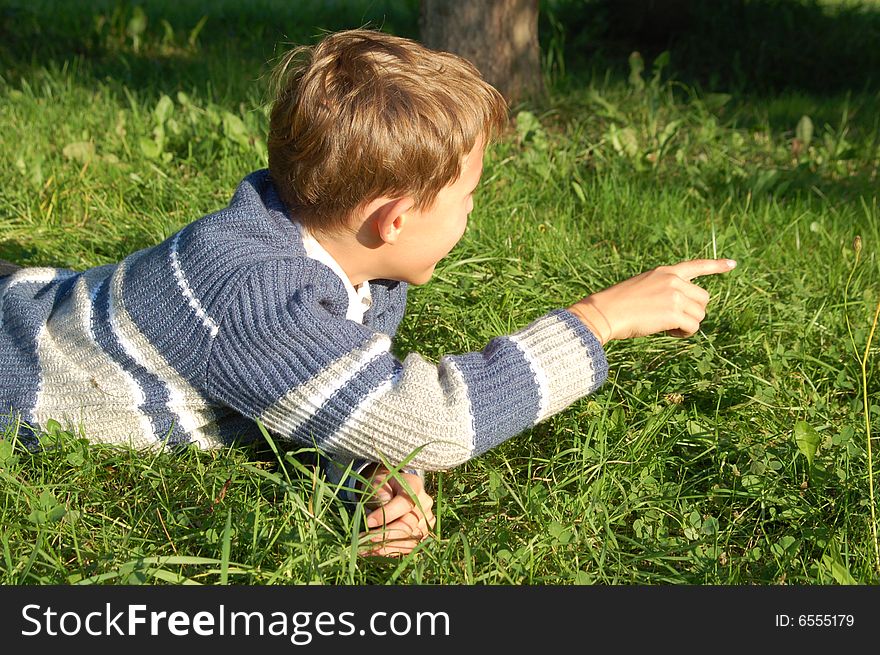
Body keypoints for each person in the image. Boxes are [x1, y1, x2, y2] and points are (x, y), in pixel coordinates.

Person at [0, 29, 735, 557]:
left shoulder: (353, 267)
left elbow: (352, 390)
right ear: (393, 219)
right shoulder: (252, 296)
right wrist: (598, 318)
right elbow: (431, 415)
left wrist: (383, 470)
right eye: (469, 196)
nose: (475, 211)